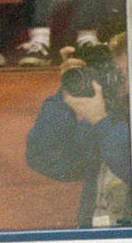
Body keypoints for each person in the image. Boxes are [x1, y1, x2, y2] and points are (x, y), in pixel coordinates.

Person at [25, 33, 129, 226]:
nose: (121, 84)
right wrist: (68, 93)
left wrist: (101, 121)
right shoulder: (109, 122)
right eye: (116, 74)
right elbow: (47, 159)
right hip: (97, 241)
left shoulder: (107, 125)